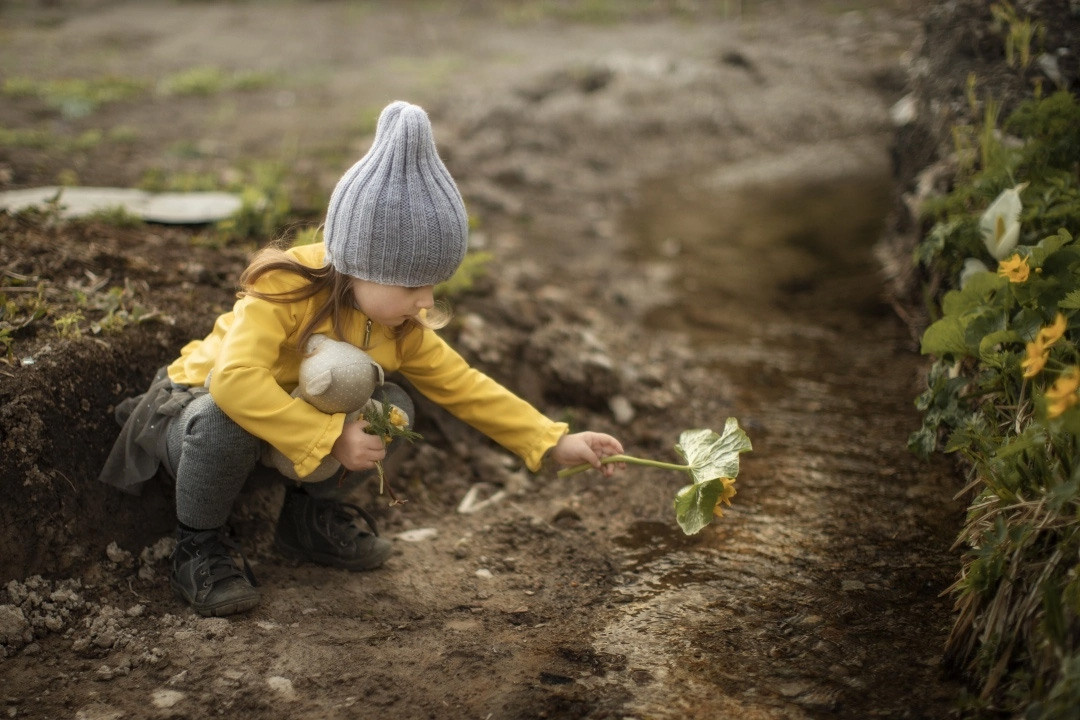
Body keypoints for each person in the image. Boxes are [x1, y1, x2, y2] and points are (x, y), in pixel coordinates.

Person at [98, 100, 624, 617]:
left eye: (434, 286)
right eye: (413, 285)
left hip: (286, 435)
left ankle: (307, 522)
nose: (425, 301)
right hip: (194, 414)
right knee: (222, 419)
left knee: (391, 407)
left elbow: (462, 384)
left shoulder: (399, 323)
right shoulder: (282, 286)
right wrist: (331, 438)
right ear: (358, 265)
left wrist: (552, 440)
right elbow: (233, 382)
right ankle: (198, 546)